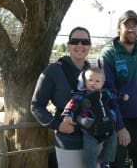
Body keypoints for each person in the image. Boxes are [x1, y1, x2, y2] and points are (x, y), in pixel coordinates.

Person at [30, 26, 92, 168]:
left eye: (85, 42)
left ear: (89, 46)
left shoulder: (93, 73)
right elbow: (36, 105)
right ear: (68, 45)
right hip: (69, 141)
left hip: (93, 141)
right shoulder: (54, 70)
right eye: (75, 41)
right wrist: (58, 125)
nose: (80, 45)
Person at [97, 10, 137, 168]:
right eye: (127, 25)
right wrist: (120, 126)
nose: (131, 29)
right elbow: (107, 93)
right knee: (117, 164)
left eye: (135, 26)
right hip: (116, 122)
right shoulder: (108, 54)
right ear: (119, 28)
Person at [62, 67, 129, 168]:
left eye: (97, 81)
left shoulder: (105, 92)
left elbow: (114, 94)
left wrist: (122, 96)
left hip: (106, 126)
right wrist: (67, 115)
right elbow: (72, 104)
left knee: (112, 142)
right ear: (85, 81)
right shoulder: (82, 94)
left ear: (103, 83)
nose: (93, 83)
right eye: (90, 80)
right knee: (90, 150)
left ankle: (104, 160)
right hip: (90, 129)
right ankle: (91, 166)